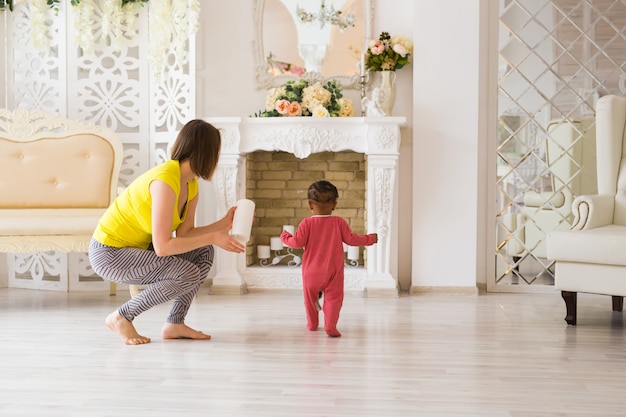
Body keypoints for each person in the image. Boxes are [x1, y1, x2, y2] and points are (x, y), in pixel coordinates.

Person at [88, 119, 246, 345]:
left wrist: (223, 224)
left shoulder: (190, 184)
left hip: (136, 251)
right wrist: (213, 235)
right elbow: (163, 247)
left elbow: (185, 235)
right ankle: (122, 316)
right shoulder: (165, 181)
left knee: (204, 252)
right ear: (207, 153)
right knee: (187, 272)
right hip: (110, 254)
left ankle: (175, 323)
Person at [281, 180, 378, 337]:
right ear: (334, 205)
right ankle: (330, 326)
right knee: (334, 299)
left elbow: (297, 243)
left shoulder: (306, 223)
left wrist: (285, 236)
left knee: (310, 299)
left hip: (311, 272)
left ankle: (312, 324)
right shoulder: (338, 222)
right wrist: (370, 239)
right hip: (333, 271)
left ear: (309, 205)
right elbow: (352, 239)